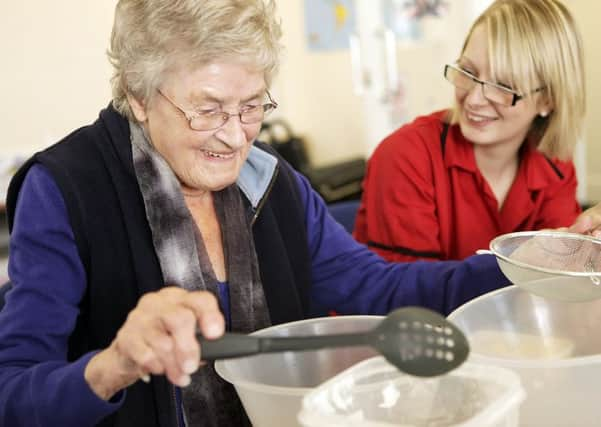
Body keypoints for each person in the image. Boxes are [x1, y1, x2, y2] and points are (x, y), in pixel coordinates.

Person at [0, 1, 576, 426]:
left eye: (252, 106)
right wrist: (115, 364)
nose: (233, 137)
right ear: (139, 95)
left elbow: (376, 288)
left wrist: (529, 261)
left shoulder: (269, 181)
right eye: (208, 109)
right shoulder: (64, 190)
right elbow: (12, 391)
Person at [354, 0, 587, 262]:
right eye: (467, 71)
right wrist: (523, 266)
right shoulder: (405, 155)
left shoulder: (556, 166)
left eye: (503, 86)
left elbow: (555, 279)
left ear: (548, 100)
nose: (474, 99)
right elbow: (408, 292)